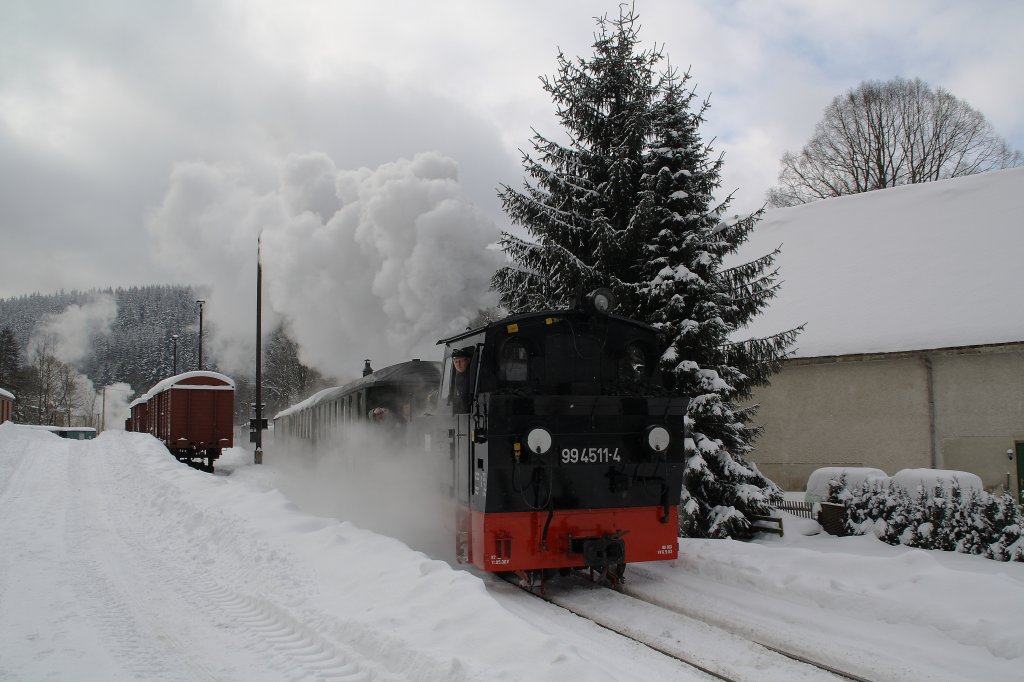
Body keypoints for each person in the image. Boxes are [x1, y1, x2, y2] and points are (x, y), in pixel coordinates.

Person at [451, 346, 473, 413]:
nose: (458, 364)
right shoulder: (457, 377)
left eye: (461, 361)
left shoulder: (473, 375)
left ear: (468, 360)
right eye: (456, 362)